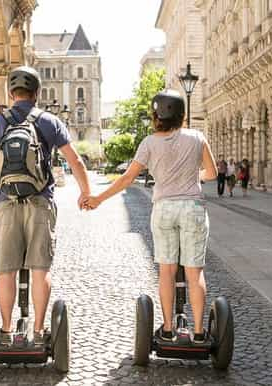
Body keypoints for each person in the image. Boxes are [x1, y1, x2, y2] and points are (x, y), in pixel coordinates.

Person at [83, 90, 218, 344]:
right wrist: (192, 179)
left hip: (164, 208)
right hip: (192, 208)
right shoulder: (197, 138)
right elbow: (211, 173)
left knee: (166, 271)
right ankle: (199, 333)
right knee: (194, 272)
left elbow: (127, 178)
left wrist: (98, 199)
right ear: (182, 114)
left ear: (156, 116)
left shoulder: (149, 143)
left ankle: (167, 329)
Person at [0, 66, 92, 345]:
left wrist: (0, 182)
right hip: (41, 201)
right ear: (38, 93)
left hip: (6, 203)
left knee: (6, 269)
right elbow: (75, 161)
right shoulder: (49, 121)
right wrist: (86, 193)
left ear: (10, 92)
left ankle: (5, 332)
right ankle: (39, 332)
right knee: (40, 267)